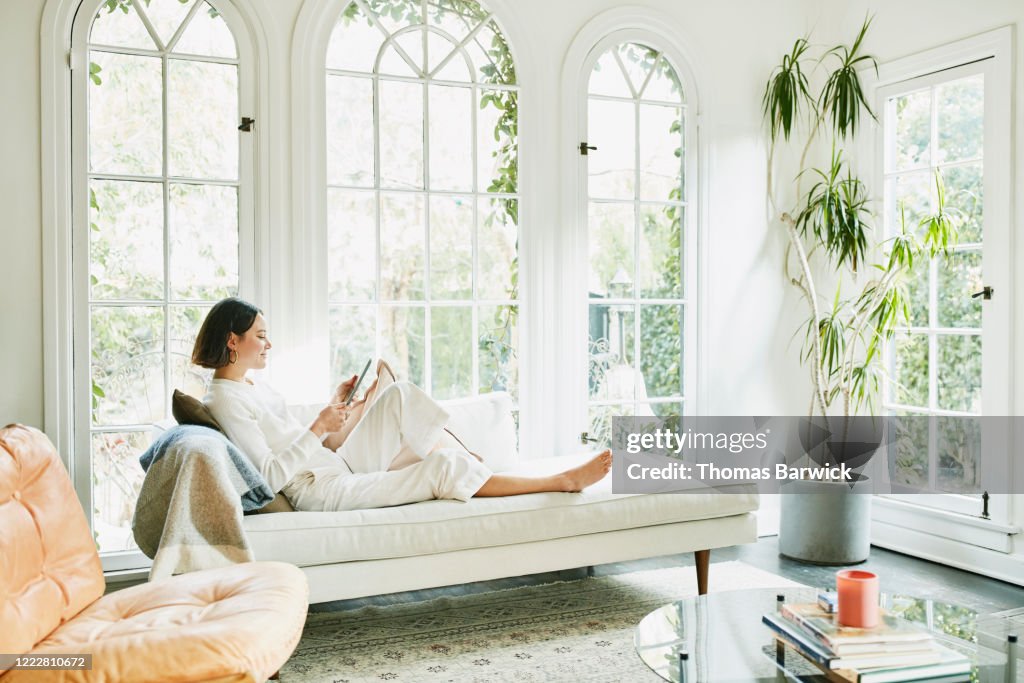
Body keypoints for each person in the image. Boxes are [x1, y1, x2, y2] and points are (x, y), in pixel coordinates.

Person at [192, 297, 612, 512]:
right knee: (444, 468)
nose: (269, 343)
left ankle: (466, 459)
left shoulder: (250, 386)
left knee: (399, 394)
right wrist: (318, 426)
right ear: (233, 340)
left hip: (334, 465)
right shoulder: (226, 401)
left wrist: (335, 410)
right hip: (320, 490)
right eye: (261, 335)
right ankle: (561, 481)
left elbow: (301, 442)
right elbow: (266, 479)